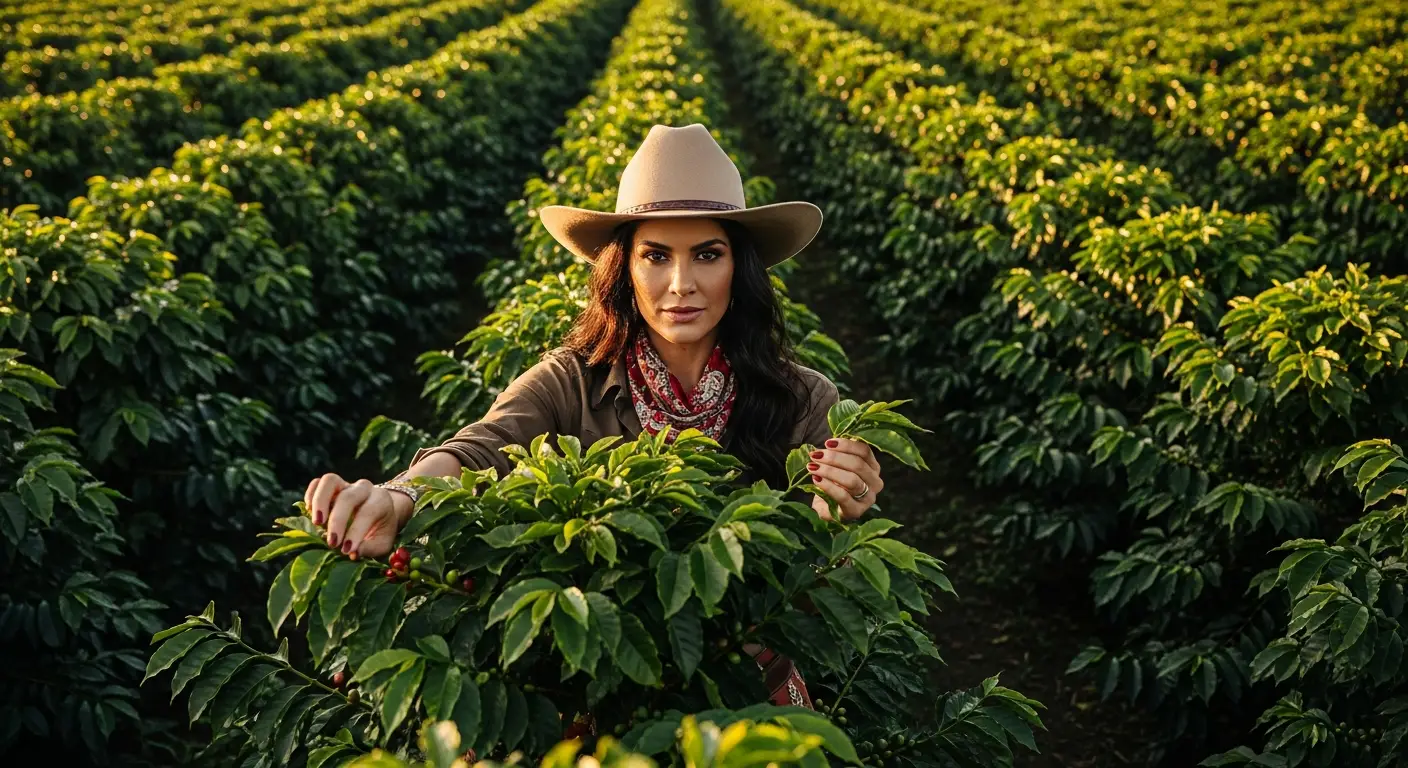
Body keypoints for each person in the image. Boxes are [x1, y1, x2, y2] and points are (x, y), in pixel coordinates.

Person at [304, 122, 887, 710]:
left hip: (751, 703)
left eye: (707, 255)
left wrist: (836, 517)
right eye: (655, 256)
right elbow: (480, 450)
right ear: (624, 270)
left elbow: (821, 597)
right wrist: (399, 498)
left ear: (741, 269)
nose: (680, 285)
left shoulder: (804, 398)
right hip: (602, 702)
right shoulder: (571, 382)